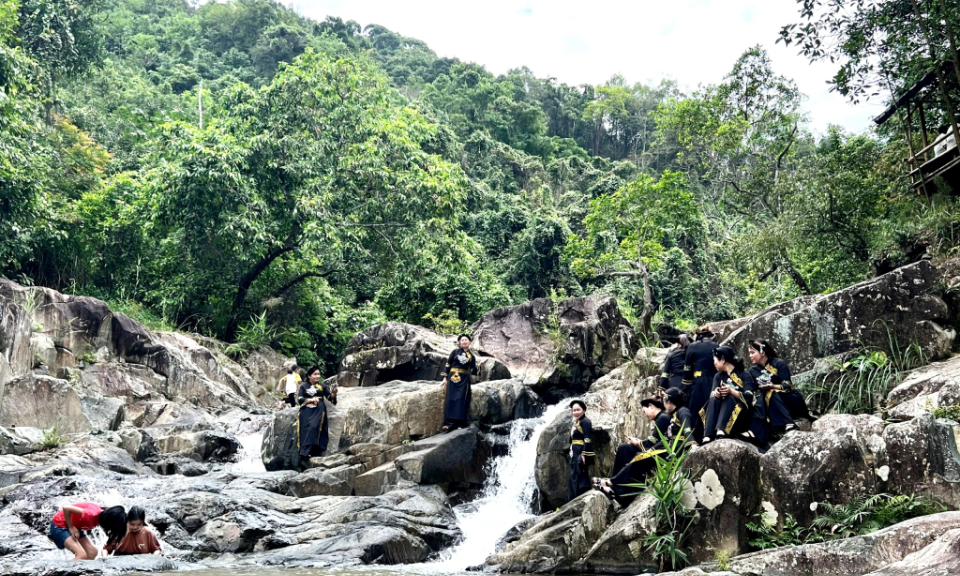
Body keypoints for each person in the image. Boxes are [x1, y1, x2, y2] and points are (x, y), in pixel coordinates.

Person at [594, 397, 671, 502]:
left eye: (645, 411)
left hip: (660, 454)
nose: (645, 415)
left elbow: (652, 443)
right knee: (624, 449)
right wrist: (639, 442)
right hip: (655, 450)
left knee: (637, 455)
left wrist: (638, 443)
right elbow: (653, 442)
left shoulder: (663, 418)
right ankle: (614, 484)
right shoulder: (660, 419)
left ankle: (613, 483)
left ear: (651, 406)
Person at [748, 339, 809, 439]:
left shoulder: (779, 363)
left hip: (789, 400)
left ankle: (788, 423)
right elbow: (750, 387)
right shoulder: (752, 370)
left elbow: (788, 386)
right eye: (749, 353)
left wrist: (773, 386)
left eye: (752, 353)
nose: (750, 356)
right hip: (770, 403)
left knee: (770, 392)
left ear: (762, 352)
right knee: (764, 395)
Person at [701, 346, 757, 444]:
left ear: (722, 360)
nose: (714, 364)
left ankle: (721, 430)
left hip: (740, 414)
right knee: (714, 399)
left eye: (715, 360)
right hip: (720, 412)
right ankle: (708, 434)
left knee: (729, 397)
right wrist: (717, 392)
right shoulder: (718, 376)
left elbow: (749, 397)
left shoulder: (745, 375)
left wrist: (731, 391)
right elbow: (712, 394)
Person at [48, 503, 126, 561]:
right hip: (59, 526)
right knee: (81, 555)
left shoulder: (100, 515)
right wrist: (71, 527)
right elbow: (66, 508)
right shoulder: (91, 514)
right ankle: (65, 572)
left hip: (76, 526)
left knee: (92, 552)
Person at [682, 327, 720, 442]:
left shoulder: (692, 346)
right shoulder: (716, 346)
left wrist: (686, 385)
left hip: (697, 382)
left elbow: (687, 368)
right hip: (713, 380)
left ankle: (696, 438)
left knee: (695, 409)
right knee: (711, 406)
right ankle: (711, 434)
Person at [297, 366, 337, 469]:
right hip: (307, 408)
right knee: (305, 427)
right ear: (309, 376)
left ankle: (306, 451)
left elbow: (330, 398)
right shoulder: (304, 386)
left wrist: (333, 394)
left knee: (314, 426)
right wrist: (309, 400)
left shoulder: (322, 386)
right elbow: (300, 398)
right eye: (315, 374)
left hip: (318, 408)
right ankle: (304, 451)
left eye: (318, 374)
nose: (317, 376)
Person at [439, 334, 478, 432]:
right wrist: (444, 378)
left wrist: (480, 366)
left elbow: (473, 370)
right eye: (462, 340)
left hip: (464, 379)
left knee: (461, 400)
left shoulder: (471, 356)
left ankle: (460, 423)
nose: (464, 341)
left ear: (469, 342)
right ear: (459, 343)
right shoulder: (454, 352)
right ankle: (448, 424)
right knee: (450, 399)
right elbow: (448, 364)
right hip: (453, 378)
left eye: (466, 340)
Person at [567, 399, 595, 502]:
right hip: (575, 451)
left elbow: (587, 438)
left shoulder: (586, 422)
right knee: (574, 474)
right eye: (574, 410)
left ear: (583, 410)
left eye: (578, 410)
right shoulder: (577, 422)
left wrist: (584, 454)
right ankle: (574, 499)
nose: (575, 412)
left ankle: (579, 498)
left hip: (581, 451)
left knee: (579, 473)